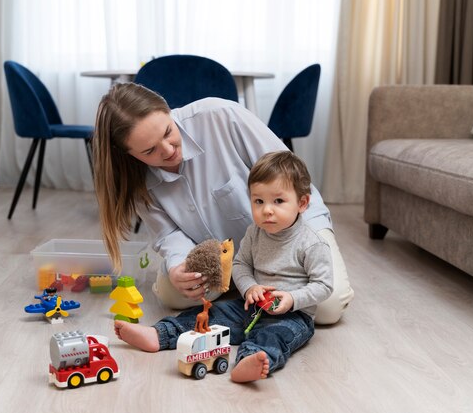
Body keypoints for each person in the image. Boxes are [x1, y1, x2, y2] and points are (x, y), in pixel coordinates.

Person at [93, 82, 353, 325]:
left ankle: (257, 280)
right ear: (129, 154)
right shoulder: (134, 177)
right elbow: (168, 233)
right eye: (149, 151)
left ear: (166, 107)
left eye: (168, 132)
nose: (168, 150)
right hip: (220, 256)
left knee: (327, 309)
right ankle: (242, 282)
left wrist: (309, 241)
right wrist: (177, 267)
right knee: (175, 297)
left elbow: (289, 179)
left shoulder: (221, 115)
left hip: (289, 234)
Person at [114, 150, 333, 383]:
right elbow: (241, 264)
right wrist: (249, 288)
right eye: (259, 201)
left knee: (272, 337)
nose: (267, 210)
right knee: (211, 314)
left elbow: (323, 285)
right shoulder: (255, 232)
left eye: (278, 201)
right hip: (250, 306)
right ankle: (160, 334)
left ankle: (249, 362)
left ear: (302, 203)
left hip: (292, 316)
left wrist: (292, 298)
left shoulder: (312, 243)